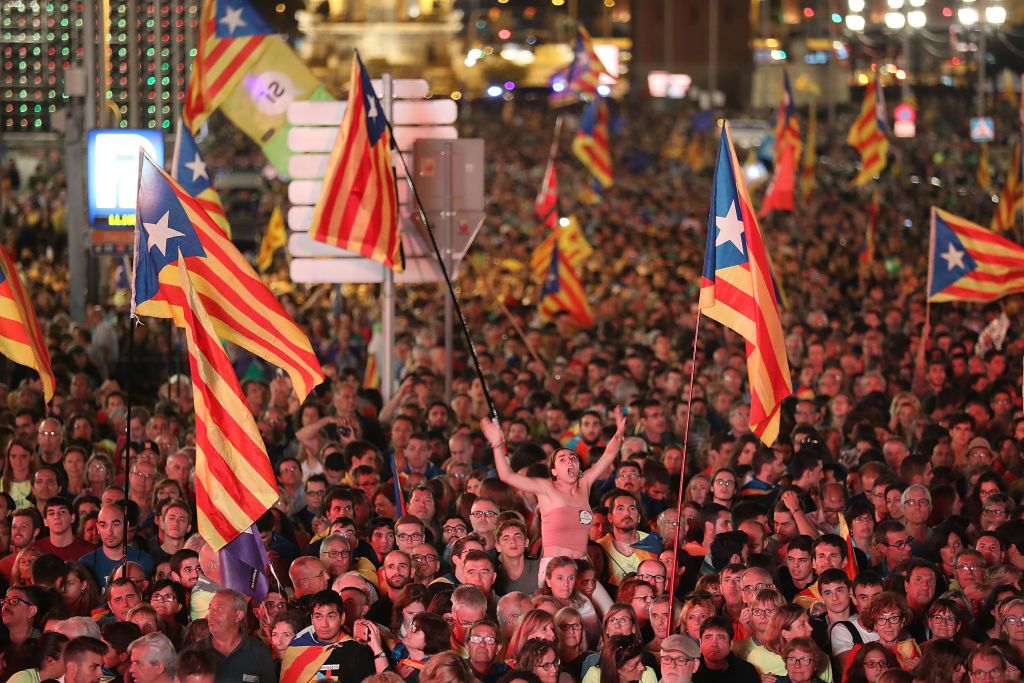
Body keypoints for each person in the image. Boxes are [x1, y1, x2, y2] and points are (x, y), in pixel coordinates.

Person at [482, 408, 627, 582]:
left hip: (581, 566)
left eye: (573, 458)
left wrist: (619, 431)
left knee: (606, 609)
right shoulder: (546, 488)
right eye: (562, 459)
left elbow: (609, 453)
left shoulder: (585, 483)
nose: (569, 461)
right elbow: (507, 476)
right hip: (554, 567)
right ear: (554, 471)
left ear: (579, 467)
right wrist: (497, 445)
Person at [186, 589, 276, 682]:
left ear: (238, 615)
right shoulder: (193, 653)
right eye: (210, 609)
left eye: (219, 609)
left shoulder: (259, 652)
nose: (211, 614)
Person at [692, 616, 759, 682]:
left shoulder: (746, 671)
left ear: (731, 644)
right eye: (708, 637)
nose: (714, 644)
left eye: (721, 637)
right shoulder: (689, 669)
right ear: (700, 642)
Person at [581, 635, 657, 683]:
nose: (643, 667)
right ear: (616, 668)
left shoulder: (648, 674)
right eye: (635, 665)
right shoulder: (594, 674)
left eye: (641, 660)